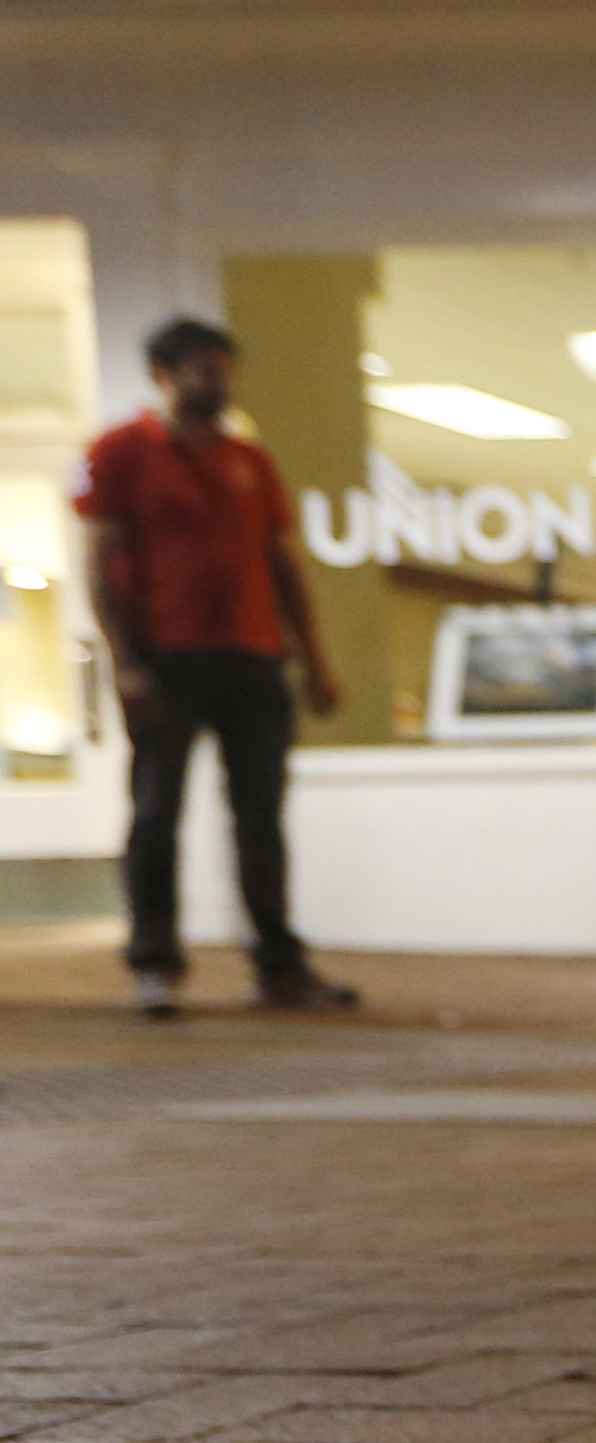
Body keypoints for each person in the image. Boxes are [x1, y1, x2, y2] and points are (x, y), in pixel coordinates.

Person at [73, 315, 355, 1018]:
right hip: (168, 658)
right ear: (162, 376)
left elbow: (282, 562)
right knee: (158, 812)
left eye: (223, 368)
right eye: (202, 368)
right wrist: (125, 661)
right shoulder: (119, 452)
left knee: (261, 816)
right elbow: (99, 562)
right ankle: (155, 964)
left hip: (254, 658)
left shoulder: (250, 460)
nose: (217, 381)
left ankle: (279, 965)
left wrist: (313, 658)